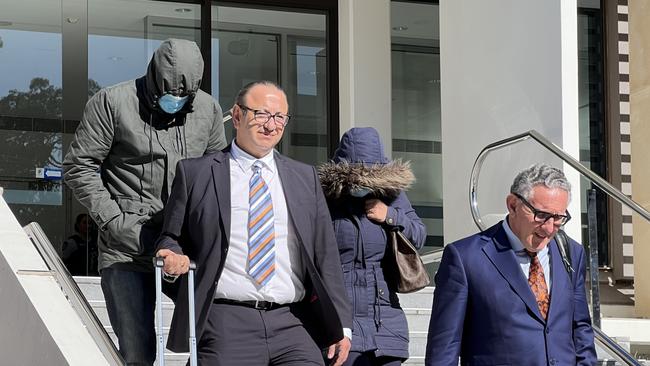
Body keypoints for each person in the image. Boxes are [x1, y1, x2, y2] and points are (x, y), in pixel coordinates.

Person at [155, 80, 352, 365]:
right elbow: (170, 236)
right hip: (226, 321)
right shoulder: (195, 174)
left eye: (279, 117)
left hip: (293, 322)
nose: (271, 125)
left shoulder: (304, 178)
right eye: (261, 114)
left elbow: (326, 256)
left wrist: (342, 325)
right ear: (236, 116)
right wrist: (173, 255)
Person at [63, 38, 226, 365]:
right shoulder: (112, 101)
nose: (176, 100)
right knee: (138, 353)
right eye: (170, 93)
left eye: (185, 96)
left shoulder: (207, 109)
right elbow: (78, 166)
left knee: (219, 334)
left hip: (182, 248)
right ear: (153, 76)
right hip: (127, 249)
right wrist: (113, 221)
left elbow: (217, 174)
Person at [424, 164, 597, 366]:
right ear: (513, 205)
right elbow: (444, 348)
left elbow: (581, 328)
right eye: (541, 215)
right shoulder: (465, 258)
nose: (550, 228)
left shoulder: (572, 253)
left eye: (559, 218)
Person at [318, 127, 426, 365]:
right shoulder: (325, 199)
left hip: (385, 319)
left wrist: (390, 215)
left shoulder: (392, 195)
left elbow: (419, 235)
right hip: (340, 320)